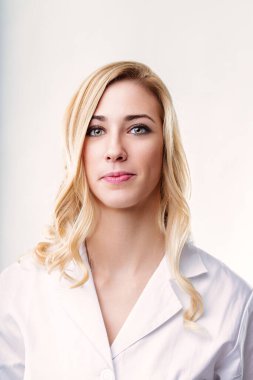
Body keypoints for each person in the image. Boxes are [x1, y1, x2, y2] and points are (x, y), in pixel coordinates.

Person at [0, 61, 252, 380]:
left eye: (138, 128)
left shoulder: (230, 300)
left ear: (166, 146)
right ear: (77, 147)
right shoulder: (20, 290)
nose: (115, 150)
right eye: (96, 130)